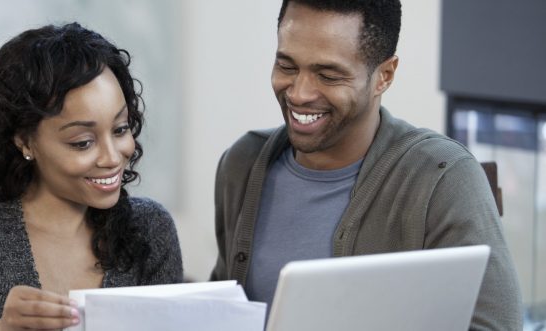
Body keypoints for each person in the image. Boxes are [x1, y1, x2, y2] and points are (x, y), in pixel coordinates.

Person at [210, 1, 522, 330]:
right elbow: (224, 304)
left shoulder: (441, 177)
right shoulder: (242, 164)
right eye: (287, 66)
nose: (299, 93)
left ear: (384, 76)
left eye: (328, 75)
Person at [0, 22, 183, 331]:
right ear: (25, 140)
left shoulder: (151, 229)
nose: (113, 157)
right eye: (83, 142)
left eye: (120, 129)